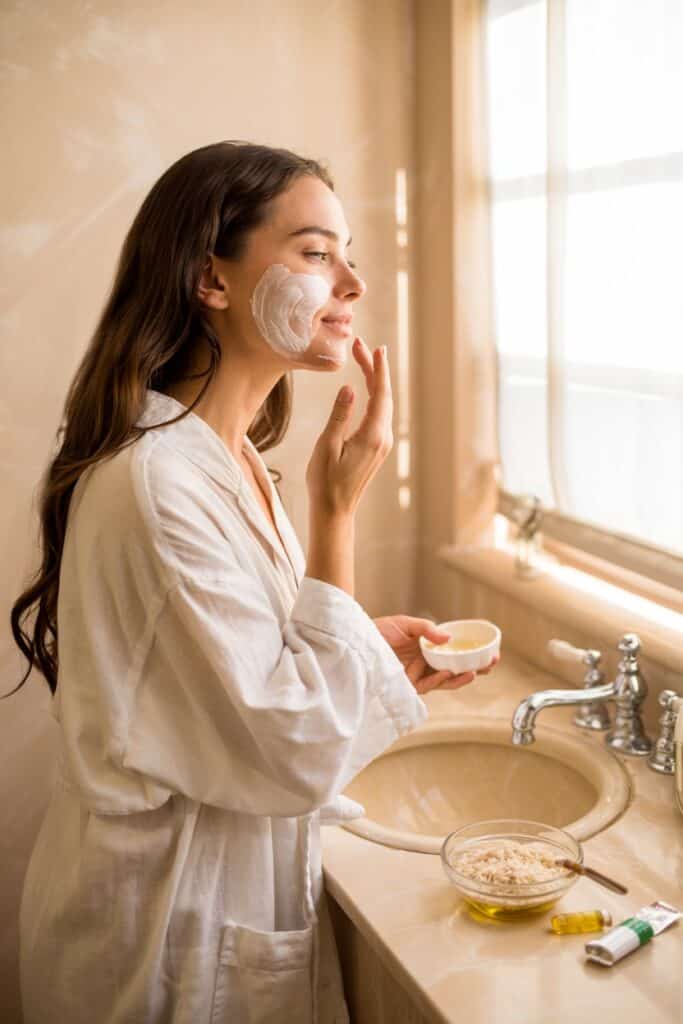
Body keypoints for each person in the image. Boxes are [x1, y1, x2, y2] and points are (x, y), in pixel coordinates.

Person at [10, 140, 498, 1023]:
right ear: (212, 281)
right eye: (315, 254)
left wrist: (365, 651)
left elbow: (252, 683)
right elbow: (291, 746)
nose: (350, 283)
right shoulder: (160, 483)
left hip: (209, 902)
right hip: (162, 941)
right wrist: (337, 515)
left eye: (347, 256)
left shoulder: (229, 460)